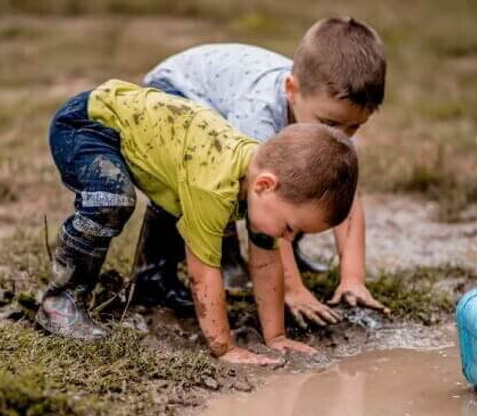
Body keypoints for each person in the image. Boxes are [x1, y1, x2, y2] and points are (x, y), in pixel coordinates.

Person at [36, 79, 359, 365]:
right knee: (113, 199)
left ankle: (152, 286)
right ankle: (60, 301)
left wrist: (275, 338)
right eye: (291, 227)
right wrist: (224, 347)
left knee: (179, 204)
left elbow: (265, 263)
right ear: (265, 185)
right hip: (89, 125)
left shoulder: (259, 181)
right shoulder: (213, 187)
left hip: (145, 139)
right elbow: (203, 274)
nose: (289, 237)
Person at [143, 17, 389, 326]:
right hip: (178, 92)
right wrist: (292, 290)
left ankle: (266, 258)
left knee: (311, 182)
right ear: (292, 90)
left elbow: (348, 199)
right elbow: (268, 208)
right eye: (330, 124)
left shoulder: (332, 121)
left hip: (222, 97)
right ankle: (153, 275)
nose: (341, 136)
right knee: (208, 183)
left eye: (355, 126)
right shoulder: (258, 114)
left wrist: (353, 278)